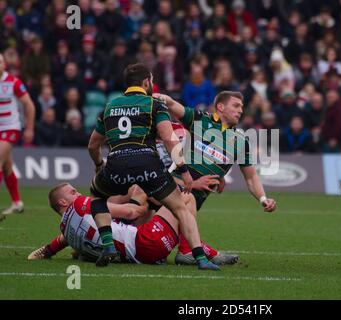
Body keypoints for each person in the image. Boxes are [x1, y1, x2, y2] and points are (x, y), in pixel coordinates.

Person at [87, 63, 219, 270]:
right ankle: (200, 259)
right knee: (180, 209)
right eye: (152, 80)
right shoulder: (154, 105)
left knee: (96, 196)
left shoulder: (109, 107)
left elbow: (93, 144)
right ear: (146, 82)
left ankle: (108, 244)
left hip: (116, 165)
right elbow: (168, 138)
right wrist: (184, 171)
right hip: (148, 166)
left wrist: (98, 165)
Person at [153, 91, 277, 264]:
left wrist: (263, 198)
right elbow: (173, 105)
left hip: (192, 204)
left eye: (241, 107)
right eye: (235, 105)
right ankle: (195, 251)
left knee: (163, 246)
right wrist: (159, 97)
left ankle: (192, 249)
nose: (240, 110)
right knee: (152, 242)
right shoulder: (200, 119)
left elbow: (251, 177)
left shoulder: (241, 141)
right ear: (220, 107)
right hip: (172, 192)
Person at [28, 183, 181, 265]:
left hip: (135, 256)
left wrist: (47, 251)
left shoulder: (65, 230)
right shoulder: (80, 204)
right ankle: (190, 251)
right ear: (62, 201)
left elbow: (58, 243)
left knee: (132, 195)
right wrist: (143, 202)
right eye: (73, 192)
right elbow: (131, 213)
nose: (79, 194)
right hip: (147, 243)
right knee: (185, 198)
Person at [0, 53, 36, 215]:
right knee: (6, 164)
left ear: (4, 65)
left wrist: (29, 128)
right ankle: (17, 202)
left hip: (11, 128)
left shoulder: (13, 82)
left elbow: (29, 105)